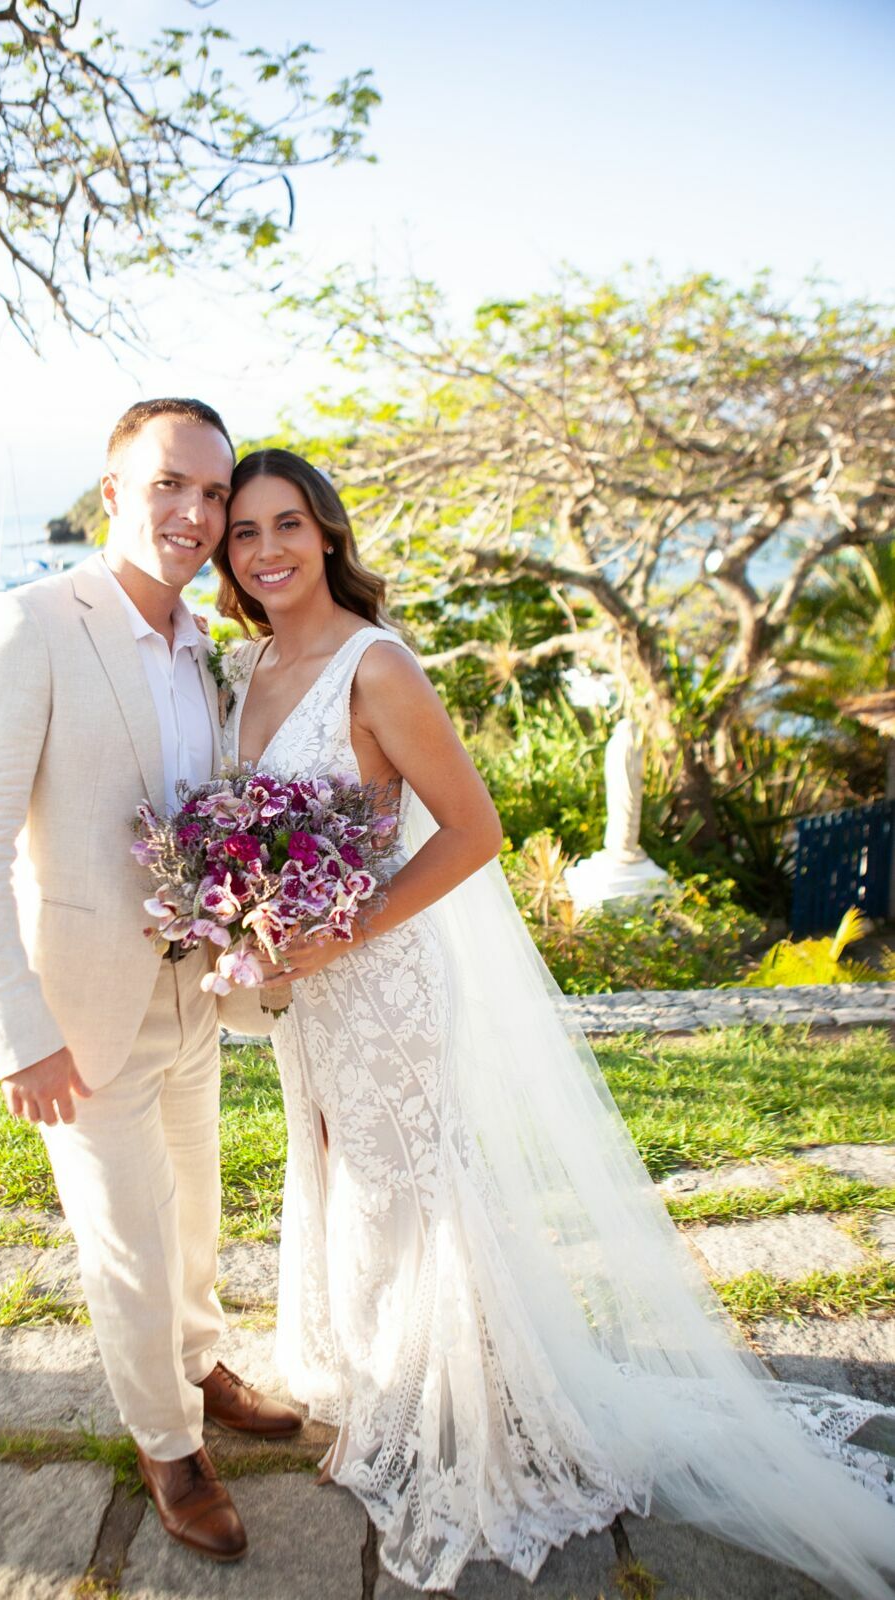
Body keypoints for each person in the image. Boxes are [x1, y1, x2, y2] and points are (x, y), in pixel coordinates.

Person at [211, 447, 895, 1598]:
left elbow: (470, 830)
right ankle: (380, 1380)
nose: (266, 548)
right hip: (308, 982)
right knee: (333, 1163)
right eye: (243, 533)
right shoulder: (251, 665)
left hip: (385, 973)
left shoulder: (373, 666)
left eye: (287, 523)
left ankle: (452, 1413)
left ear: (327, 534)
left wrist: (347, 926)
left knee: (413, 1181)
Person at [0, 399, 302, 1568]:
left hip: (196, 994)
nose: (194, 513)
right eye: (168, 486)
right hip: (82, 1013)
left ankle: (195, 1358)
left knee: (193, 1213)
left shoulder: (203, 648)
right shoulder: (27, 625)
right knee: (129, 1235)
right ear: (112, 493)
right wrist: (16, 1029)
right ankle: (168, 1444)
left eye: (211, 493)